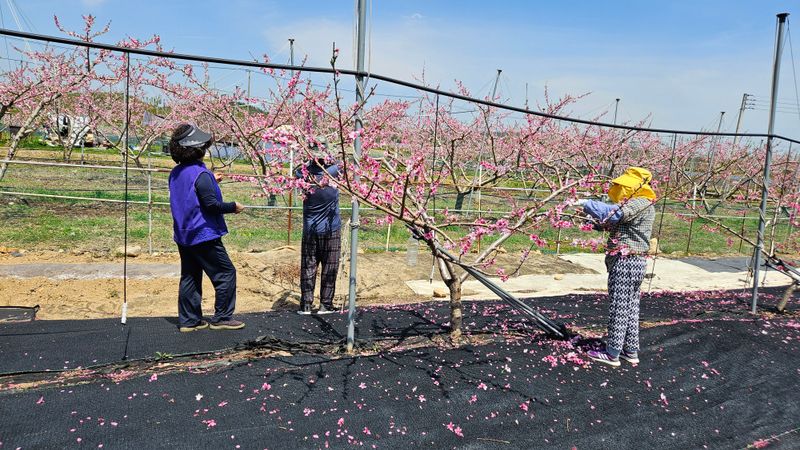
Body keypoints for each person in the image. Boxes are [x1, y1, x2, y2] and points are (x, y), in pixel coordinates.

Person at [168, 123, 246, 332]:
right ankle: (222, 317)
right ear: (198, 150)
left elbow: (191, 194)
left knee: (190, 275)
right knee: (225, 273)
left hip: (184, 234)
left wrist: (212, 180)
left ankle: (189, 321)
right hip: (203, 234)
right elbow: (211, 205)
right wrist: (233, 207)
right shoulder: (201, 174)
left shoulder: (176, 172)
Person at [579, 167, 656, 367]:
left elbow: (613, 214)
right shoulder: (640, 203)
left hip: (626, 261)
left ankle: (612, 353)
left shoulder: (640, 202)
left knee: (619, 307)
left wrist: (587, 203)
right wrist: (588, 220)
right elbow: (612, 223)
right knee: (630, 308)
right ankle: (630, 350)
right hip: (634, 262)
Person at [296, 151, 342, 315]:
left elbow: (298, 169)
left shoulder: (301, 173)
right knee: (330, 266)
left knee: (308, 266)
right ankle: (325, 305)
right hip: (331, 229)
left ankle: (306, 305)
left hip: (310, 229)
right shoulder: (335, 170)